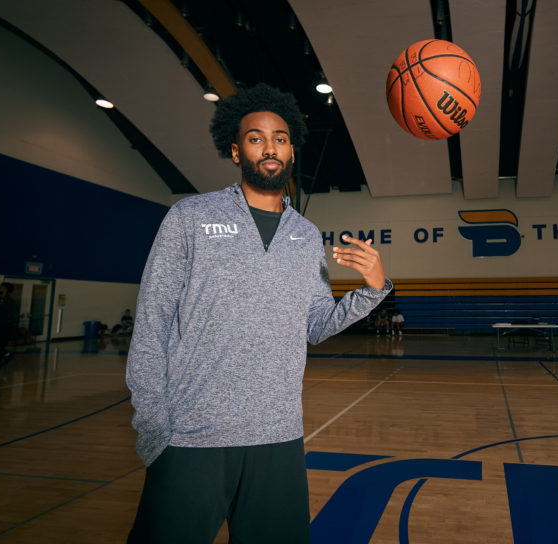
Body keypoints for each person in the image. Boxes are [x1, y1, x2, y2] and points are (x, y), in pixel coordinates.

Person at [125, 83, 392, 544]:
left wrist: (372, 289)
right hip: (190, 437)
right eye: (256, 138)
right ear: (236, 151)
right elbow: (152, 324)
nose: (270, 147)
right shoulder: (190, 217)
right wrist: (154, 431)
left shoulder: (306, 236)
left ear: (291, 152)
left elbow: (316, 325)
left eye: (280, 138)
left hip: (278, 436)